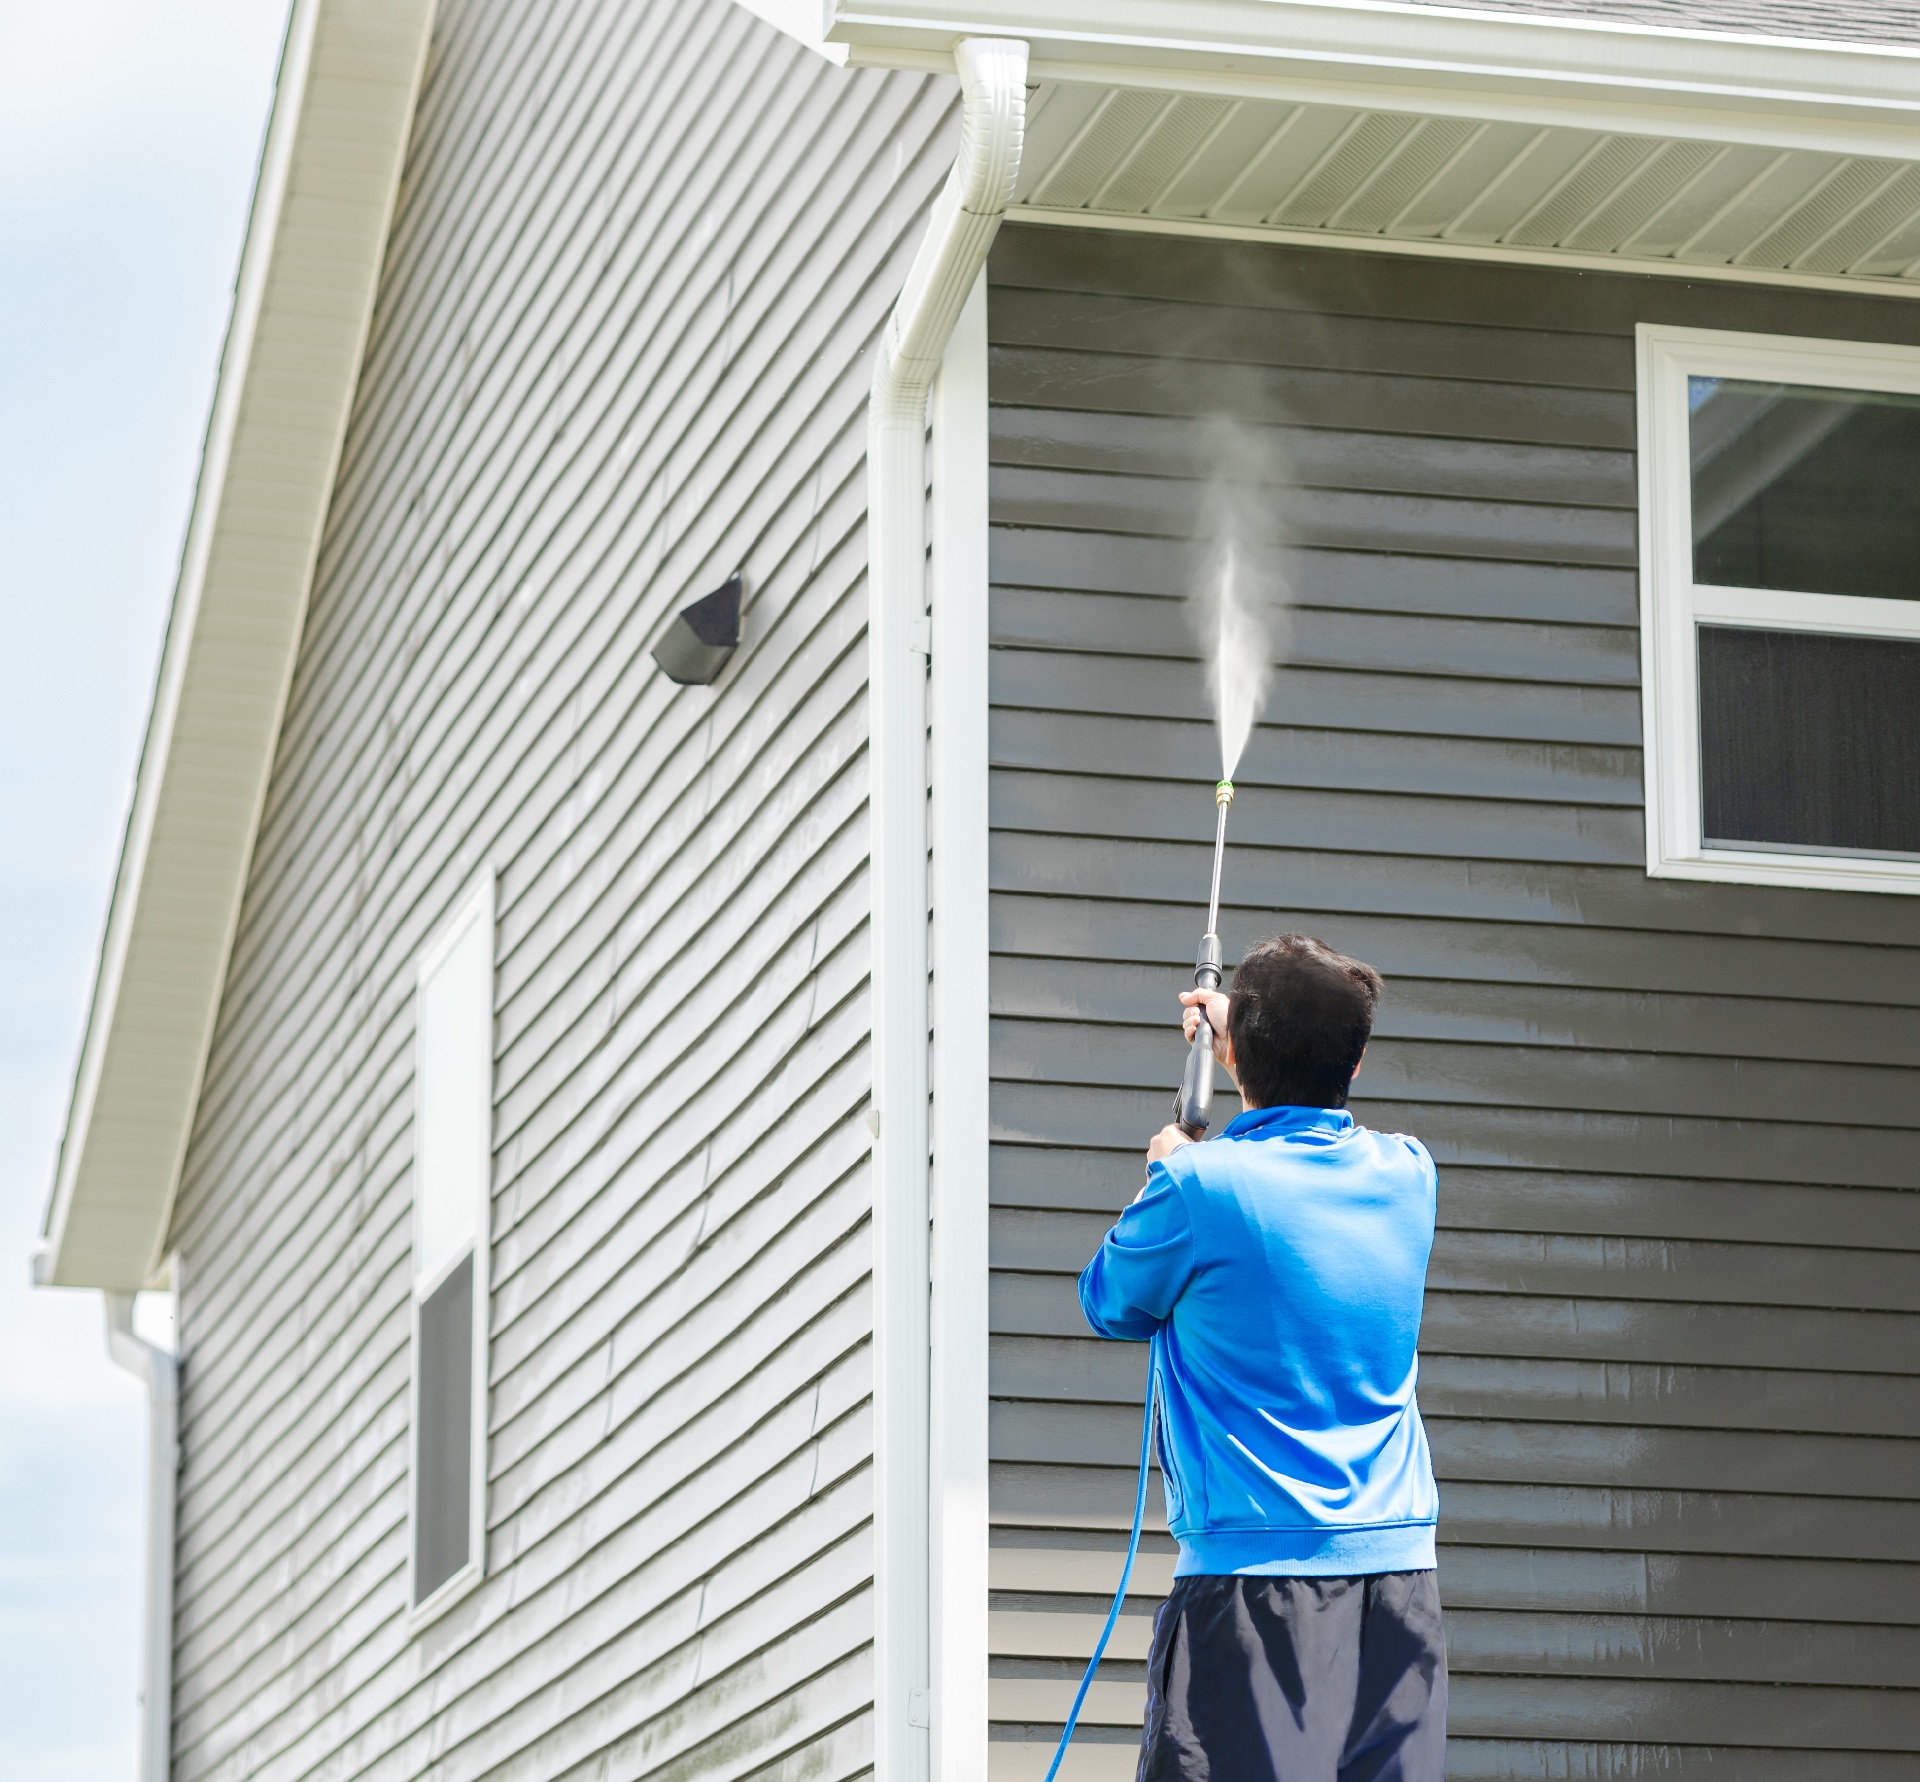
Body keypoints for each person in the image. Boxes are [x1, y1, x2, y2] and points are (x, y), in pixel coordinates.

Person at [1078, 932, 1445, 1782]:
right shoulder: (1410, 1175)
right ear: (1352, 1066)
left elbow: (1109, 1302)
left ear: (1235, 1051)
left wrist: (1167, 1168)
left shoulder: (1198, 1188)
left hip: (1252, 1589)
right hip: (1398, 1587)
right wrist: (1242, 1032)